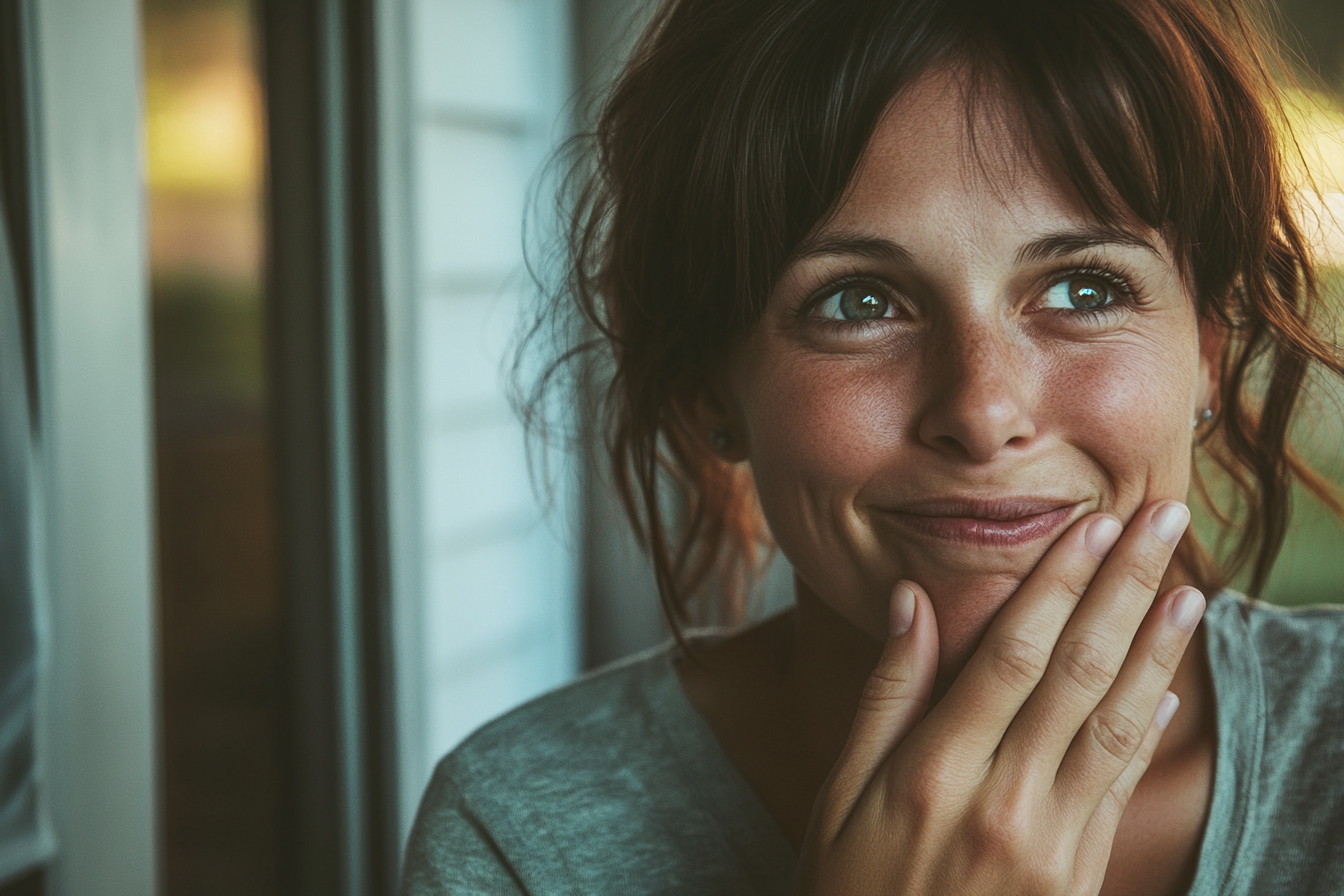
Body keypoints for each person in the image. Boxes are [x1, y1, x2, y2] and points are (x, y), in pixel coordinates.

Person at [400, 0, 1344, 893]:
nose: (981, 410)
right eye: (860, 302)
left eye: (1084, 290)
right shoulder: (517, 834)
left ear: (1209, 358)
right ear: (704, 392)